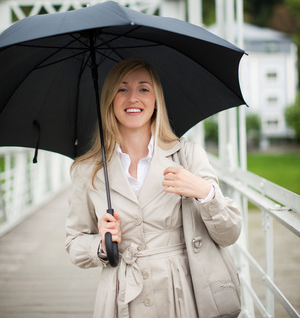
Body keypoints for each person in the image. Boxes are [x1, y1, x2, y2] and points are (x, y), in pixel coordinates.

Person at [65, 58, 242, 318]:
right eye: (122, 89)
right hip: (120, 295)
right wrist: (102, 246)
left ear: (156, 99)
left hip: (181, 293)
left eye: (144, 89)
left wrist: (205, 193)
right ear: (109, 100)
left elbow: (229, 234)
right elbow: (74, 243)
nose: (133, 98)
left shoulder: (188, 156)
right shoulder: (87, 170)